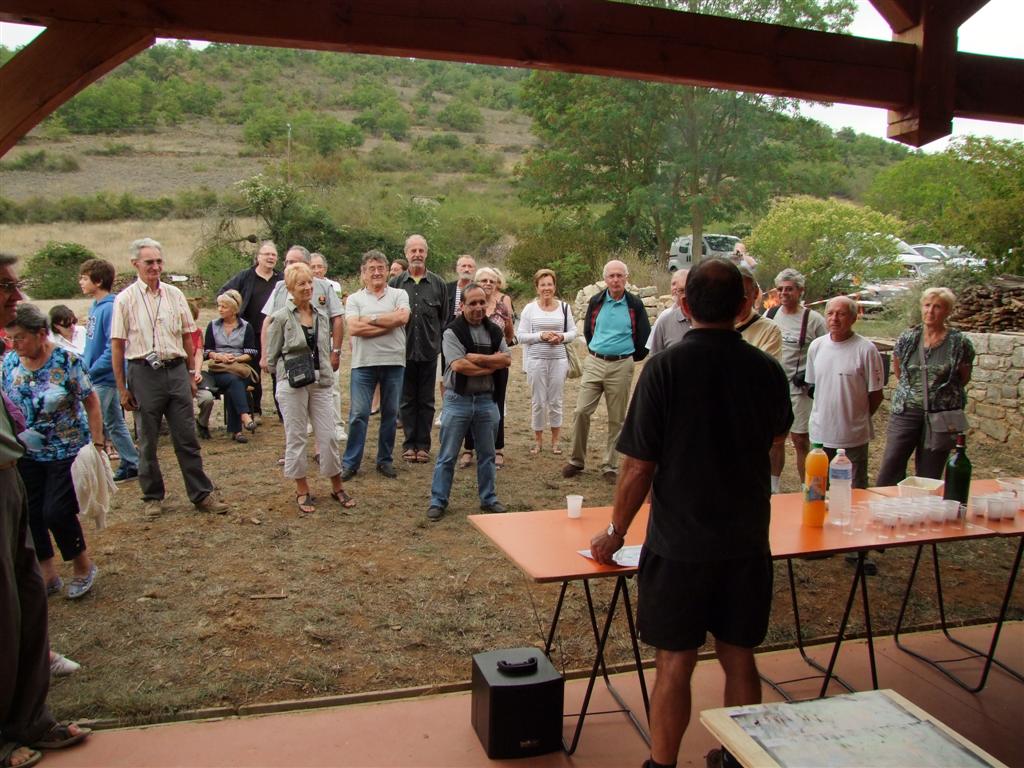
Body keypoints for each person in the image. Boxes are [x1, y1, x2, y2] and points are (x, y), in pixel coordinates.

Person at [589, 258, 792, 768]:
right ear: (744, 306)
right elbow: (777, 444)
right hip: (746, 540)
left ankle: (662, 763)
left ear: (683, 304)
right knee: (739, 655)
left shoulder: (663, 369)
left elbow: (638, 466)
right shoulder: (767, 371)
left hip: (679, 544)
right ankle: (739, 759)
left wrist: (615, 531)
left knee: (675, 661)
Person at [0, 255, 91, 768]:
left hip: (24, 465)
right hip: (18, 464)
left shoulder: (55, 359)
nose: (17, 297)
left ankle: (28, 718)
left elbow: (86, 399)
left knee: (27, 596)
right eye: (7, 286)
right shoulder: (8, 359)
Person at [110, 237, 227, 514]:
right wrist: (122, 388)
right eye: (149, 262)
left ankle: (201, 494)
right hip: (143, 373)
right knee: (148, 439)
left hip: (175, 370)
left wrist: (190, 373)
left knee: (187, 437)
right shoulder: (125, 299)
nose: (155, 267)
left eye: (159, 261)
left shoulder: (174, 295)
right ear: (135, 264)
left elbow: (187, 336)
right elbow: (117, 345)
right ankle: (152, 496)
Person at [3, 303, 103, 600]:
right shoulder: (9, 363)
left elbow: (91, 402)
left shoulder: (66, 361)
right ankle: (46, 573)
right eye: (10, 338)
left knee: (57, 511)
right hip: (25, 453)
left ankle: (83, 566)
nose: (14, 344)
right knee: (32, 512)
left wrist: (97, 444)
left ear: (41, 333)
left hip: (66, 449)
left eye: (20, 337)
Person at [266, 262, 354, 514]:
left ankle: (337, 486)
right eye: (301, 284)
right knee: (296, 437)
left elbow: (324, 350)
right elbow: (272, 357)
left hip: (320, 381)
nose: (307, 288)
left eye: (309, 282)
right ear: (290, 288)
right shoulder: (281, 317)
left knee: (328, 436)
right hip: (292, 383)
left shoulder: (321, 316)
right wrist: (287, 375)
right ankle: (302, 489)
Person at [562, 259, 651, 484]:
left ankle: (610, 465)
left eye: (620, 275)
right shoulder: (596, 301)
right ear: (605, 279)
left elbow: (644, 336)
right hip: (595, 362)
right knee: (581, 411)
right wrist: (598, 350)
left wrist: (629, 357)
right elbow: (588, 331)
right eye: (611, 276)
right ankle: (576, 460)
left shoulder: (634, 304)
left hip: (621, 365)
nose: (616, 280)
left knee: (616, 418)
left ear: (626, 278)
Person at [427, 283, 510, 521]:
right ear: (462, 306)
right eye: (472, 303)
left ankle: (489, 499)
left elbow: (506, 359)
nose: (478, 307)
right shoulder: (451, 332)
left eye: (482, 302)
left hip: (486, 401)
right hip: (457, 400)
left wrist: (476, 358)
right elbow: (459, 366)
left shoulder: (494, 330)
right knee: (447, 455)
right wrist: (491, 363)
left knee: (487, 455)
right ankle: (438, 501)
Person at [876, 287, 975, 485]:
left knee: (930, 472)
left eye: (937, 307)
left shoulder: (959, 343)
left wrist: (939, 395)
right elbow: (900, 373)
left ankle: (923, 503)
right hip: (906, 411)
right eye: (927, 305)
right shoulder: (908, 338)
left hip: (941, 415)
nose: (930, 311)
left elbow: (962, 378)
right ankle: (886, 501)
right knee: (891, 464)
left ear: (947, 311)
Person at [259, 245, 345, 441]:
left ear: (307, 264)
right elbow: (268, 321)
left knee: (329, 393)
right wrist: (265, 355)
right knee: (294, 413)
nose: (290, 265)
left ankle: (333, 430)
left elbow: (337, 318)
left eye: (295, 262)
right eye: (287, 262)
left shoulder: (323, 287)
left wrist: (336, 351)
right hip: (291, 360)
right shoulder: (280, 287)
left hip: (320, 356)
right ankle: (301, 432)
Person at [341, 250, 410, 481]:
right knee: (359, 414)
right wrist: (387, 322)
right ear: (363, 273)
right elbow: (354, 328)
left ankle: (385, 460)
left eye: (381, 268)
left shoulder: (399, 294)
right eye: (371, 269)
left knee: (390, 414)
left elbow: (402, 319)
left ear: (387, 270)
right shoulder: (354, 299)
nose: (377, 272)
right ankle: (351, 463)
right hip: (364, 364)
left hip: (394, 362)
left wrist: (368, 319)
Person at [806, 296, 885, 488]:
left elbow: (876, 394)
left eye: (841, 314)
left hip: (852, 437)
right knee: (817, 489)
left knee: (854, 491)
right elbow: (814, 386)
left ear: (853, 318)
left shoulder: (866, 350)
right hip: (820, 434)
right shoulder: (816, 346)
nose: (834, 319)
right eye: (830, 313)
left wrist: (856, 418)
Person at [766, 268, 827, 494]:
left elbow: (826, 349)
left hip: (799, 388)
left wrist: (813, 377)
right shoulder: (771, 314)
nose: (784, 293)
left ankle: (806, 488)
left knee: (801, 439)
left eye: (789, 289)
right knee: (775, 440)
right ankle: (773, 487)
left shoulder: (814, 320)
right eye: (780, 289)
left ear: (800, 291)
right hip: (774, 387)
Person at [79, 258, 140, 482]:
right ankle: (132, 462)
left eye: (85, 278)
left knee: (92, 422)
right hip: (97, 375)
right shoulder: (95, 307)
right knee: (115, 422)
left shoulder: (110, 308)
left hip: (103, 377)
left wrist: (91, 372)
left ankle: (90, 470)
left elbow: (112, 348)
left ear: (98, 281)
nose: (81, 282)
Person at [389, 234, 448, 463]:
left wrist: (437, 344)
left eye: (421, 250)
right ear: (406, 254)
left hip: (429, 351)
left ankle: (423, 445)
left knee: (426, 400)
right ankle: (409, 444)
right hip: (402, 351)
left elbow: (444, 319)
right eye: (413, 250)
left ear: (426, 253)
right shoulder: (396, 284)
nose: (417, 254)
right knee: (406, 400)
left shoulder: (438, 284)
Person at [219, 240, 282, 419]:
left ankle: (283, 411)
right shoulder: (246, 276)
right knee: (253, 373)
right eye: (266, 254)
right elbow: (223, 293)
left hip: (276, 333)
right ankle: (255, 410)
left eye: (274, 255)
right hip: (250, 333)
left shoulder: (281, 278)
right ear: (258, 257)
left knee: (278, 372)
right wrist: (233, 311)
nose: (270, 257)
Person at [459, 267, 514, 469]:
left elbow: (509, 334)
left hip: (497, 366)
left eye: (492, 280)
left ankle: (497, 449)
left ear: (497, 284)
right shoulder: (466, 305)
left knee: (496, 405)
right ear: (476, 283)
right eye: (484, 280)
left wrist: (497, 354)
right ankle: (468, 449)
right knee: (469, 404)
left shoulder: (502, 307)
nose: (488, 284)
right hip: (471, 364)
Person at [517, 268, 575, 455]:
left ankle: (556, 441)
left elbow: (573, 332)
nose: (546, 288)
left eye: (550, 284)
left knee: (556, 400)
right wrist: (540, 335)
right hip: (536, 360)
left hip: (559, 360)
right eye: (542, 285)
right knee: (539, 401)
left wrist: (561, 337)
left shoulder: (564, 307)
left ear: (555, 286)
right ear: (537, 288)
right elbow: (521, 336)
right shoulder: (530, 309)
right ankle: (538, 441)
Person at [203, 289, 258, 444]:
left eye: (224, 306)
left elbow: (251, 352)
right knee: (234, 382)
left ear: (234, 309)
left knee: (234, 382)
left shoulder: (246, 326)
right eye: (219, 306)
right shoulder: (212, 325)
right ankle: (244, 417)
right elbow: (207, 351)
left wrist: (236, 358)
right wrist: (218, 356)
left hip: (239, 368)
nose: (220, 309)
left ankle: (237, 430)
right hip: (218, 369)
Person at [439, 255, 477, 426]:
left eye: (470, 266)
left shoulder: (478, 289)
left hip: (471, 336)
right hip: (448, 335)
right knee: (444, 374)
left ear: (474, 269)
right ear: (457, 268)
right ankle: (446, 409)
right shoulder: (447, 288)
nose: (466, 269)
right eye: (463, 266)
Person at [736, 265, 781, 358]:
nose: (738, 301)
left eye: (744, 294)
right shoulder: (714, 325)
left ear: (755, 293)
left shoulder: (769, 331)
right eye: (731, 293)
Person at [647, 268, 690, 355]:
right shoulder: (664, 317)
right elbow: (654, 353)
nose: (675, 288)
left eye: (682, 289)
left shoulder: (701, 317)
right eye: (673, 284)